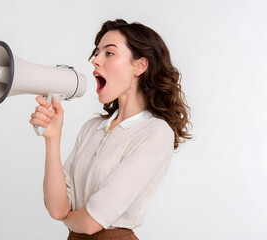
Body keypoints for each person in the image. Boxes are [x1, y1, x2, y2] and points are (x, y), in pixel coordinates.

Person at [29, 19, 192, 240]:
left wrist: (68, 219)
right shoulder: (92, 129)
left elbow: (90, 223)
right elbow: (57, 209)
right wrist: (52, 138)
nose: (95, 60)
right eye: (97, 53)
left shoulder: (155, 133)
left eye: (109, 53)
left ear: (140, 66)